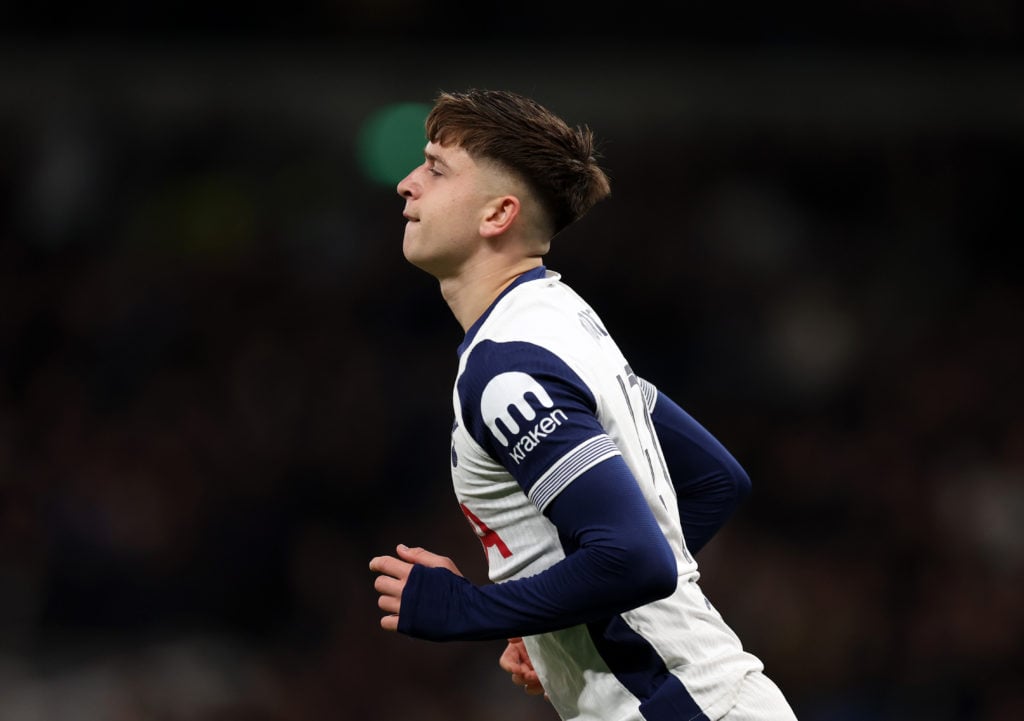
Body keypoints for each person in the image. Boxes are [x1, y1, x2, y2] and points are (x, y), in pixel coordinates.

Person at [369, 88, 798, 721]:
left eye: (435, 168)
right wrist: (552, 623)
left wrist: (470, 611)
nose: (407, 184)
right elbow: (715, 480)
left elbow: (638, 559)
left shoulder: (506, 366)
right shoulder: (564, 320)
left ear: (498, 215)